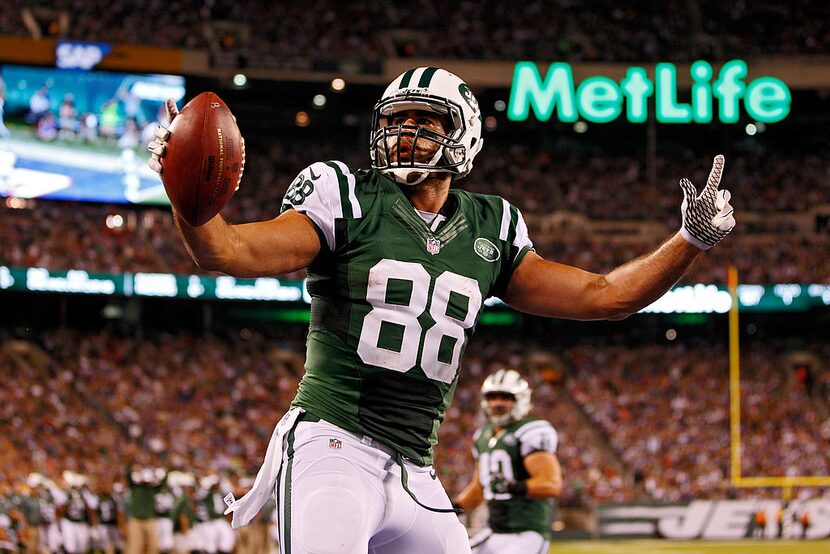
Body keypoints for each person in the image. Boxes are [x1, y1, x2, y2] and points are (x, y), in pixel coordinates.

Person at [147, 66, 735, 553]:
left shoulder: (492, 224)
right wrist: (184, 188)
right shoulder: (345, 194)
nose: (405, 133)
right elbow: (226, 251)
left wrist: (690, 241)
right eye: (396, 120)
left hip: (415, 469)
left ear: (465, 136)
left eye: (424, 121)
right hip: (333, 447)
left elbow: (607, 296)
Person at [454, 369, 562, 553]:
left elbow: (551, 484)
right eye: (492, 397)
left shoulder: (530, 431)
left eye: (505, 397)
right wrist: (453, 508)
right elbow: (479, 486)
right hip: (494, 531)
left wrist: (514, 486)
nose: (497, 403)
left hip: (526, 532)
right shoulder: (483, 435)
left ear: (520, 400)